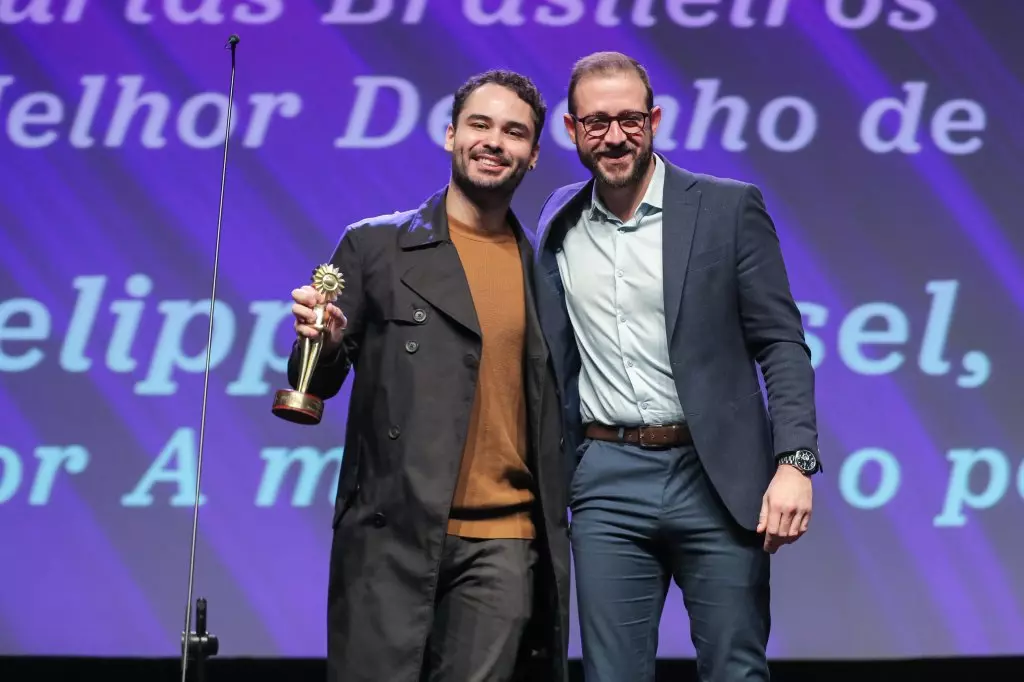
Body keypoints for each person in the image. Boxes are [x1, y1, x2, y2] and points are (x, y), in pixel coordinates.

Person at [532, 51, 821, 681]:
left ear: (655, 120)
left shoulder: (727, 207)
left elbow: (782, 342)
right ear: (572, 129)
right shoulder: (558, 220)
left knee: (734, 670)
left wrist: (794, 462)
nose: (615, 136)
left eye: (630, 119)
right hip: (606, 479)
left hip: (714, 478)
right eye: (597, 122)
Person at [285, 70, 570, 682]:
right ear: (450, 135)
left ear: (534, 154)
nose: (495, 141)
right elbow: (317, 379)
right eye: (480, 124)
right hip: (391, 540)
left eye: (514, 132)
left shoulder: (548, 269)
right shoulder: (373, 247)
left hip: (503, 543)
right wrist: (326, 344)